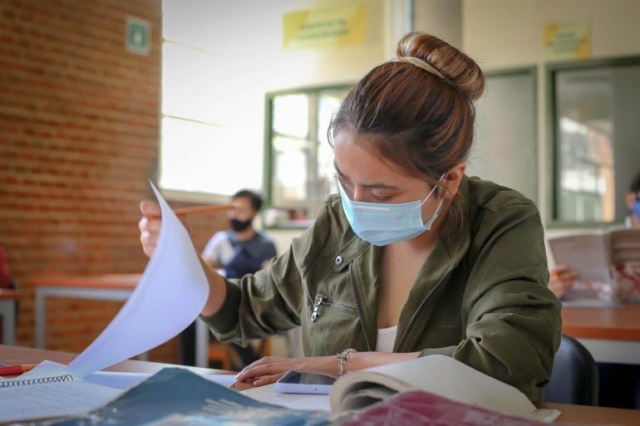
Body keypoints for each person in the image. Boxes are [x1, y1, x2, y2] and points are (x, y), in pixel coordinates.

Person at [139, 31, 561, 401]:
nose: (356, 202)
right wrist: (185, 264)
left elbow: (510, 359)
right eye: (344, 181)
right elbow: (243, 310)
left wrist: (337, 364)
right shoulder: (336, 222)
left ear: (449, 179)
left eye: (381, 192)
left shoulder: (500, 221)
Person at [549, 170, 640, 409]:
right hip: (600, 332)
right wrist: (552, 289)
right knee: (595, 378)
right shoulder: (610, 239)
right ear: (631, 200)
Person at [179, 189, 278, 367]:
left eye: (240, 210)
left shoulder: (265, 244)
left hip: (251, 303)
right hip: (223, 298)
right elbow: (203, 266)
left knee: (232, 319)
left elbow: (271, 277)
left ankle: (252, 365)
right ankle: (189, 369)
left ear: (254, 213)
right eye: (231, 209)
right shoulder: (221, 239)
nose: (234, 215)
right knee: (189, 322)